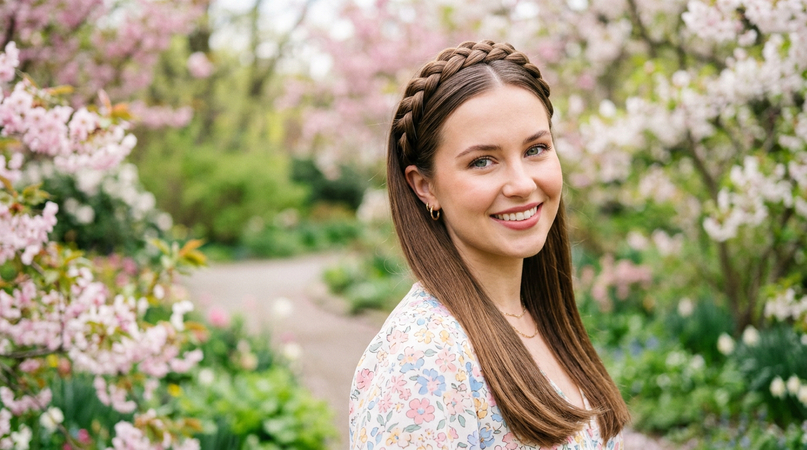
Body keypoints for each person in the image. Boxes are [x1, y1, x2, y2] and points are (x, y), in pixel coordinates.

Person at [348, 40, 629, 450]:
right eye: (483, 161)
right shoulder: (426, 362)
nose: (522, 184)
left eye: (535, 149)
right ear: (425, 186)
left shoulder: (537, 318)